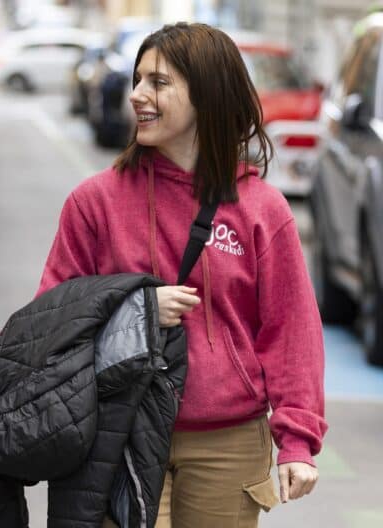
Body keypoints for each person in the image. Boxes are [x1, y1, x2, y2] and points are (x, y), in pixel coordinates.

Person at [37, 23, 327, 528]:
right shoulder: (95, 202)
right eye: (138, 80)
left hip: (227, 441)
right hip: (120, 431)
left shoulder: (261, 209)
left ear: (207, 96)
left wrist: (297, 440)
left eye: (158, 83)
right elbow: (52, 317)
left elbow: (291, 331)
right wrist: (136, 308)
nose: (137, 95)